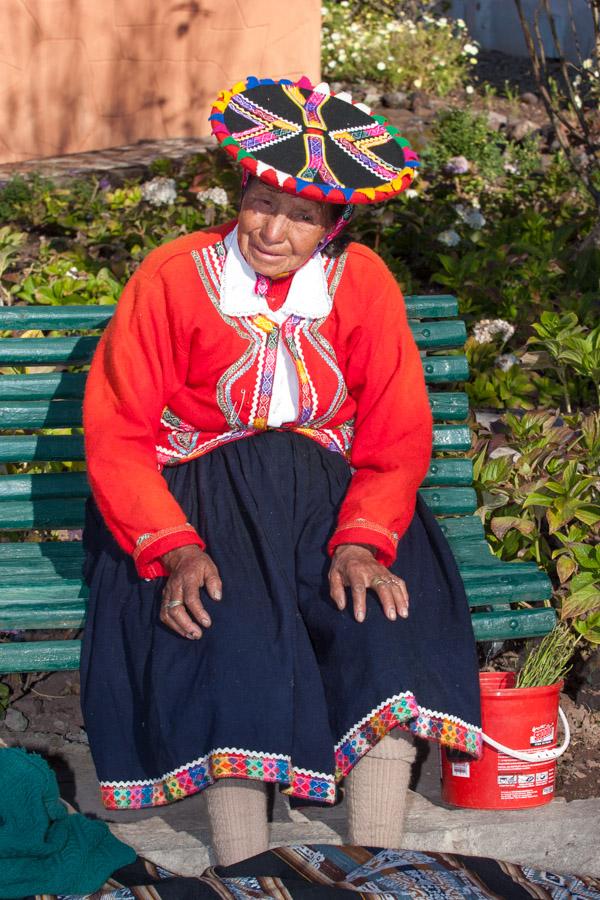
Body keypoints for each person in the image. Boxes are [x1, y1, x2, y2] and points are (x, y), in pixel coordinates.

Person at [81, 75, 482, 866]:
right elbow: (120, 432)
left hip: (331, 505)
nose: (273, 230)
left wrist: (363, 540)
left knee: (382, 622)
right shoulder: (172, 276)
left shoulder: (360, 284)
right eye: (263, 202)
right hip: (194, 502)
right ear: (241, 192)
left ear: (332, 227)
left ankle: (380, 864)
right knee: (231, 631)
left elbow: (396, 431)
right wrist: (175, 549)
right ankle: (246, 871)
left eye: (302, 217)